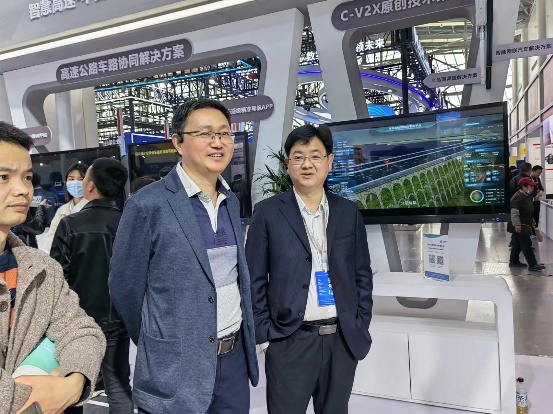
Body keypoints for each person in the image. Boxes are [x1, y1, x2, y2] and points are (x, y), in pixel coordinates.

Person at [109, 98, 259, 414]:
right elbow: (124, 287)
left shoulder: (231, 201)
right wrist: (158, 341)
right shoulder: (147, 205)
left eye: (224, 133)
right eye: (205, 133)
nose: (218, 142)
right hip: (175, 367)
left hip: (232, 361)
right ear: (178, 142)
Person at [246, 124, 373, 414]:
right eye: (298, 156)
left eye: (315, 156)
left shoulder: (348, 212)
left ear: (329, 161)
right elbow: (254, 280)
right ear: (287, 163)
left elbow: (362, 274)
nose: (307, 164)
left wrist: (360, 322)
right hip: (289, 340)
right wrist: (266, 338)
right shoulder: (268, 213)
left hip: (341, 340)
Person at [0, 121, 105, 413]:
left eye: (27, 177)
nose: (23, 190)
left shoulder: (41, 269)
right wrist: (47, 396)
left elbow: (83, 330)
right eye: (3, 177)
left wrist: (75, 382)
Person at [50, 158, 132, 414]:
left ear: (91, 186)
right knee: (118, 385)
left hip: (78, 322)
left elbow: (57, 278)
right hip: (120, 319)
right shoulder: (130, 223)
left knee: (73, 386)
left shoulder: (70, 224)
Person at [43, 163, 89, 253]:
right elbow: (49, 237)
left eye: (81, 179)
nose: (75, 183)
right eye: (71, 179)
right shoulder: (62, 210)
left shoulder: (96, 208)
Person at [508, 177, 544, 271]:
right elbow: (514, 212)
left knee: (517, 244)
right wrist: (517, 224)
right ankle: (533, 264)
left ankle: (514, 261)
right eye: (531, 186)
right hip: (520, 225)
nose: (533, 188)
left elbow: (527, 210)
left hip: (523, 224)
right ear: (524, 186)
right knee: (527, 244)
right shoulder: (518, 197)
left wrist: (531, 220)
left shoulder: (526, 196)